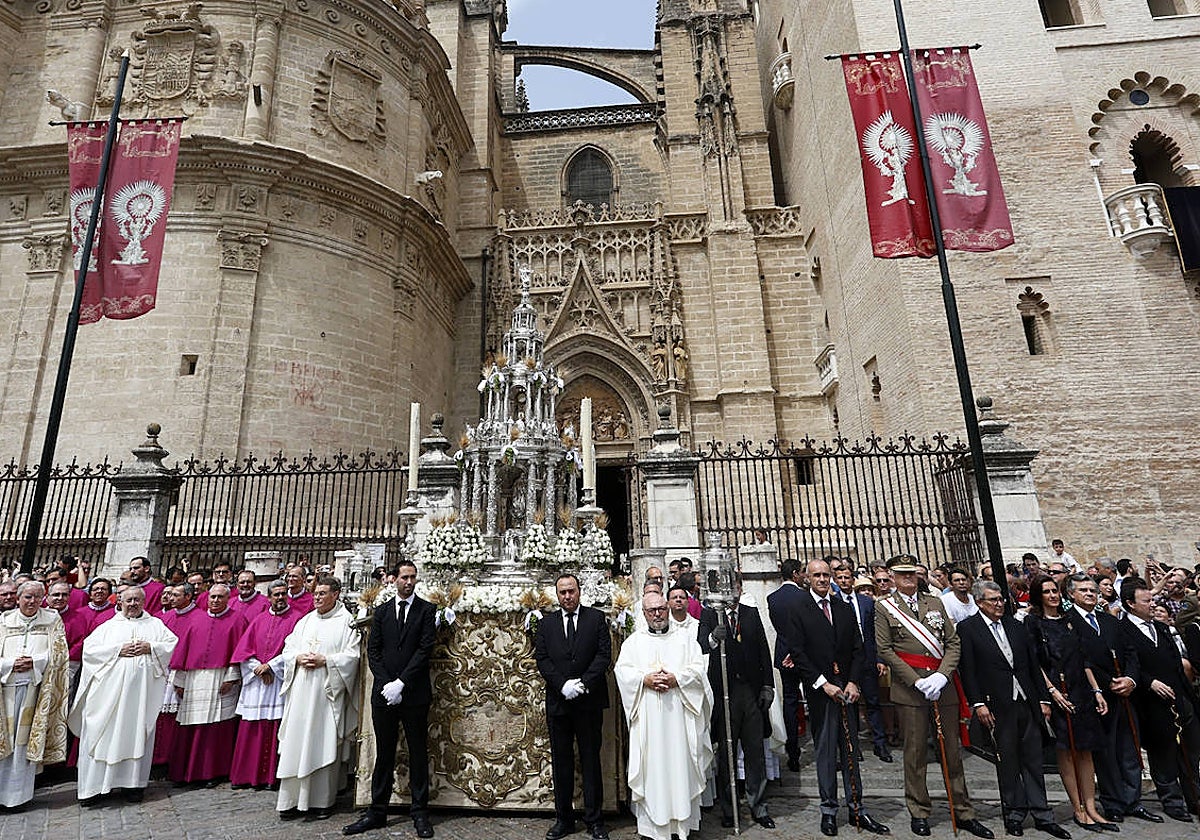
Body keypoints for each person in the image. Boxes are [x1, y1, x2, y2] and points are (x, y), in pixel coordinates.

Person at [875, 555, 992, 838]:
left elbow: (953, 642)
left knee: (951, 752)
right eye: (901, 574)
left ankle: (962, 810)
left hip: (943, 686)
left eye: (911, 573)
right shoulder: (884, 608)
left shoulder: (935, 602)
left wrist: (942, 675)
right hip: (910, 689)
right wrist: (917, 681)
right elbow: (885, 649)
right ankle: (919, 809)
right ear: (892, 576)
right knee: (915, 753)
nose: (907, 578)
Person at [782, 558, 889, 836]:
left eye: (825, 575)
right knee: (827, 752)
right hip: (821, 691)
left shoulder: (842, 608)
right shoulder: (798, 609)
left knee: (851, 750)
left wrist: (853, 681)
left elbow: (858, 648)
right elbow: (798, 652)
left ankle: (857, 807)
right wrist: (822, 684)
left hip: (847, 689)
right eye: (816, 575)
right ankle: (829, 809)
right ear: (807, 578)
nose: (821, 579)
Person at [958, 581, 1068, 838]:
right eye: (993, 600)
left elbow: (1032, 665)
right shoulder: (968, 629)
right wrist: (978, 703)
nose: (999, 604)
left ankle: (1042, 812)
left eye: (1001, 599)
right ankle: (1015, 811)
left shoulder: (1016, 626)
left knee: (1033, 758)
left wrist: (1043, 699)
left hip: (1026, 701)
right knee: (1007, 759)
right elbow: (969, 670)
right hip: (996, 701)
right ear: (979, 602)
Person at [344, 560, 436, 837]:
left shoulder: (426, 610)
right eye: (404, 577)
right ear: (394, 579)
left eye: (413, 577)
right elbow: (374, 651)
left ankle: (420, 812)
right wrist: (387, 684)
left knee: (418, 752)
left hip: (414, 693)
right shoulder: (382, 611)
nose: (409, 582)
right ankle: (377, 810)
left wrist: (402, 682)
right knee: (384, 753)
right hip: (385, 695)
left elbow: (424, 649)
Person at [1063, 574, 1161, 824]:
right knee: (1105, 753)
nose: (1089, 594)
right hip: (1096, 696)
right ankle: (1113, 802)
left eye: (1092, 590)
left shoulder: (1110, 621)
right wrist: (1107, 683)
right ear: (1071, 594)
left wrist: (1130, 679)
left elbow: (1130, 652)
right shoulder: (1068, 622)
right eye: (1083, 590)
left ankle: (1132, 799)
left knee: (1129, 748)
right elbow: (1081, 659)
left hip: (1125, 693)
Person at [614, 592, 712, 840]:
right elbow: (622, 672)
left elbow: (699, 671)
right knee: (652, 769)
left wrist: (677, 678)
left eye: (661, 608)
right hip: (649, 724)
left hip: (679, 721)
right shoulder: (633, 643)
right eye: (651, 610)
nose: (657, 614)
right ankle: (652, 829)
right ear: (644, 613)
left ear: (667, 608)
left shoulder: (685, 640)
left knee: (680, 767)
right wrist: (643, 679)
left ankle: (682, 827)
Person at [70, 585, 177, 803]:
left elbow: (170, 645)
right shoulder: (108, 627)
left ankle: (132, 786)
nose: (133, 604)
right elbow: (89, 652)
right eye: (128, 600)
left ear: (144, 602)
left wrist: (151, 647)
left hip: (140, 699)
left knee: (137, 734)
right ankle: (94, 788)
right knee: (101, 736)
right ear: (120, 602)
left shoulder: (156, 625)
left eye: (137, 600)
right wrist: (118, 650)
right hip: (108, 698)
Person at [1025, 575, 1115, 831]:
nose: (1052, 595)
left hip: (1080, 689)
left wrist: (1096, 689)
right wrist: (1052, 692)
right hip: (1058, 691)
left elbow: (1083, 658)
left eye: (1055, 591)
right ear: (1038, 596)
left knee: (1086, 751)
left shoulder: (1070, 621)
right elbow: (1036, 662)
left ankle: (1092, 807)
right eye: (1047, 592)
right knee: (1068, 751)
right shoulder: (1033, 623)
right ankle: (1078, 808)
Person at [530, 573, 612, 840]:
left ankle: (594, 820)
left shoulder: (596, 619)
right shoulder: (546, 624)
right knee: (562, 763)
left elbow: (603, 656)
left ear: (579, 592)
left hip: (588, 701)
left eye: (571, 591)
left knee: (590, 761)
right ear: (557, 595)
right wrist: (562, 685)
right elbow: (542, 658)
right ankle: (564, 819)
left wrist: (584, 683)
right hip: (559, 702)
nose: (567, 596)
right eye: (563, 592)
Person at [276, 575, 360, 820]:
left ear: (336, 594)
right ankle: (290, 800)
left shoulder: (347, 623)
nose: (317, 598)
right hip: (301, 692)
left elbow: (353, 657)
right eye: (315, 593)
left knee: (322, 741)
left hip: (326, 695)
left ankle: (322, 801)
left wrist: (327, 661)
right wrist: (297, 658)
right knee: (296, 742)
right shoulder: (305, 621)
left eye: (323, 593)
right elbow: (288, 649)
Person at [1120, 580, 1200, 822]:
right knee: (1162, 752)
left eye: (1152, 600)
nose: (1152, 605)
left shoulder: (1161, 628)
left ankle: (1194, 796)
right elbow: (1128, 666)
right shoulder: (1123, 631)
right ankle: (1172, 800)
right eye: (1146, 601)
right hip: (1150, 701)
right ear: (1130, 604)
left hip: (1178, 696)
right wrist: (1149, 682)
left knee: (1191, 749)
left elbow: (1177, 663)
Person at [699, 580, 776, 830]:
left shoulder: (750, 614)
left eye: (735, 588)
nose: (731, 593)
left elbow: (764, 650)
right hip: (725, 694)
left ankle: (758, 806)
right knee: (727, 756)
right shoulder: (710, 614)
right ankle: (729, 808)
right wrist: (713, 637)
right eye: (726, 589)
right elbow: (699, 646)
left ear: (740, 590)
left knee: (755, 753)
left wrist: (767, 685)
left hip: (751, 693)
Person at [169, 583, 248, 785]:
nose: (215, 601)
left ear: (227, 598)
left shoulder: (237, 619)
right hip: (194, 679)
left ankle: (211, 773)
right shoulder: (196, 620)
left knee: (216, 727)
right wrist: (179, 681)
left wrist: (231, 676)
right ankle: (186, 772)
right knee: (190, 725)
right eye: (212, 597)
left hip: (221, 679)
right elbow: (183, 651)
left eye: (220, 597)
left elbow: (239, 651)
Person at [0, 580, 69, 808]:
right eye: (27, 597)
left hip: (35, 691)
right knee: (5, 741)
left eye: (37, 597)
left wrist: (35, 662)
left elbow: (60, 656)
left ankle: (18, 797)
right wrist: (9, 664)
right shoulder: (4, 620)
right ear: (17, 598)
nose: (32, 602)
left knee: (23, 743)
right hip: (6, 691)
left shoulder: (51, 620)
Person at [230, 580, 303, 790]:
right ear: (269, 597)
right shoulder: (259, 619)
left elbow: (294, 650)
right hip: (257, 683)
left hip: (279, 682)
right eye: (276, 595)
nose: (280, 598)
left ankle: (271, 778)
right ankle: (245, 776)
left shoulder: (297, 619)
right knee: (250, 729)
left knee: (274, 729)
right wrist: (257, 668)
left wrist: (271, 666)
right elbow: (244, 649)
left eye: (283, 594)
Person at [832, 562, 892, 763]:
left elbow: (875, 633)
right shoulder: (832, 602)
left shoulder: (866, 603)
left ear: (853, 579)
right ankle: (852, 746)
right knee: (849, 706)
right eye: (839, 578)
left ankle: (880, 744)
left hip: (867, 659)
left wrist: (879, 659)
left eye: (847, 577)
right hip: (846, 662)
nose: (843, 581)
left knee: (873, 702)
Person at [767, 558, 807, 772]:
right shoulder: (804, 596)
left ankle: (793, 754)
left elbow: (779, 627)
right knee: (817, 703)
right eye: (802, 572)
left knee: (790, 703)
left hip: (783, 654)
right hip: (805, 656)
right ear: (795, 574)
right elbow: (808, 627)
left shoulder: (773, 598)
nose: (804, 576)